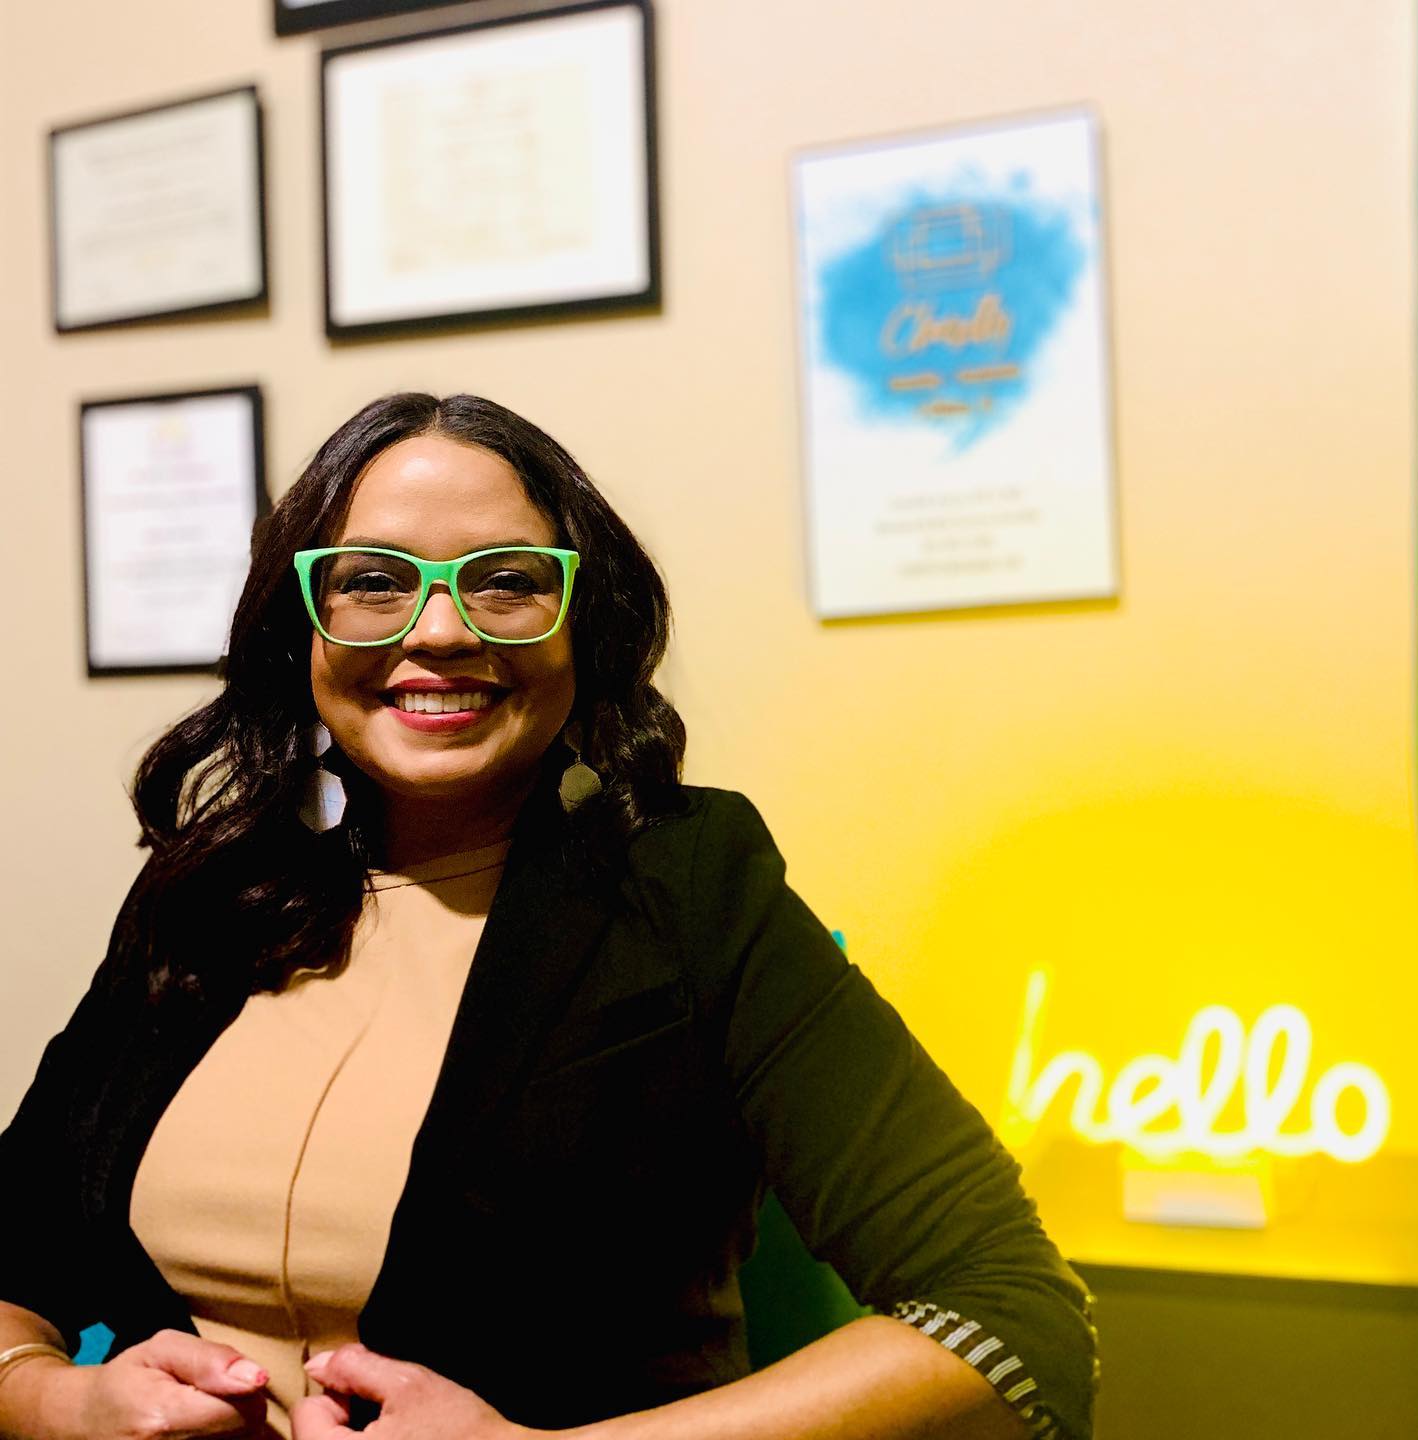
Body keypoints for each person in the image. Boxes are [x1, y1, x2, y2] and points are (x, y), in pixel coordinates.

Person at [0, 393, 1096, 1440]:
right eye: (373, 582)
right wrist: (56, 1404)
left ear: (586, 627)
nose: (439, 632)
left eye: (507, 582)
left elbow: (1013, 1323)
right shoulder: (215, 895)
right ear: (302, 630)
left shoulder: (691, 890)